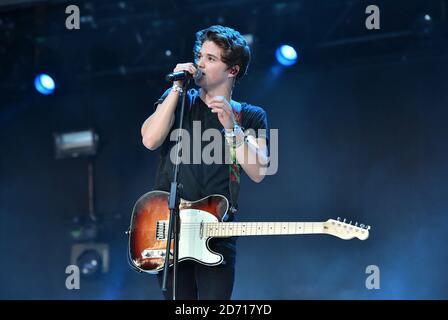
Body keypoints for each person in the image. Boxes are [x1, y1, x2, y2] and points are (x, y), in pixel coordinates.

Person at [140, 25, 269, 300]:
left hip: (217, 232)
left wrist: (233, 129)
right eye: (200, 55)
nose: (200, 63)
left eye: (210, 58)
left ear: (232, 70)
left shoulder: (250, 115)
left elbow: (259, 171)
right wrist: (175, 88)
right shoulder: (177, 100)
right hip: (170, 227)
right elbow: (150, 140)